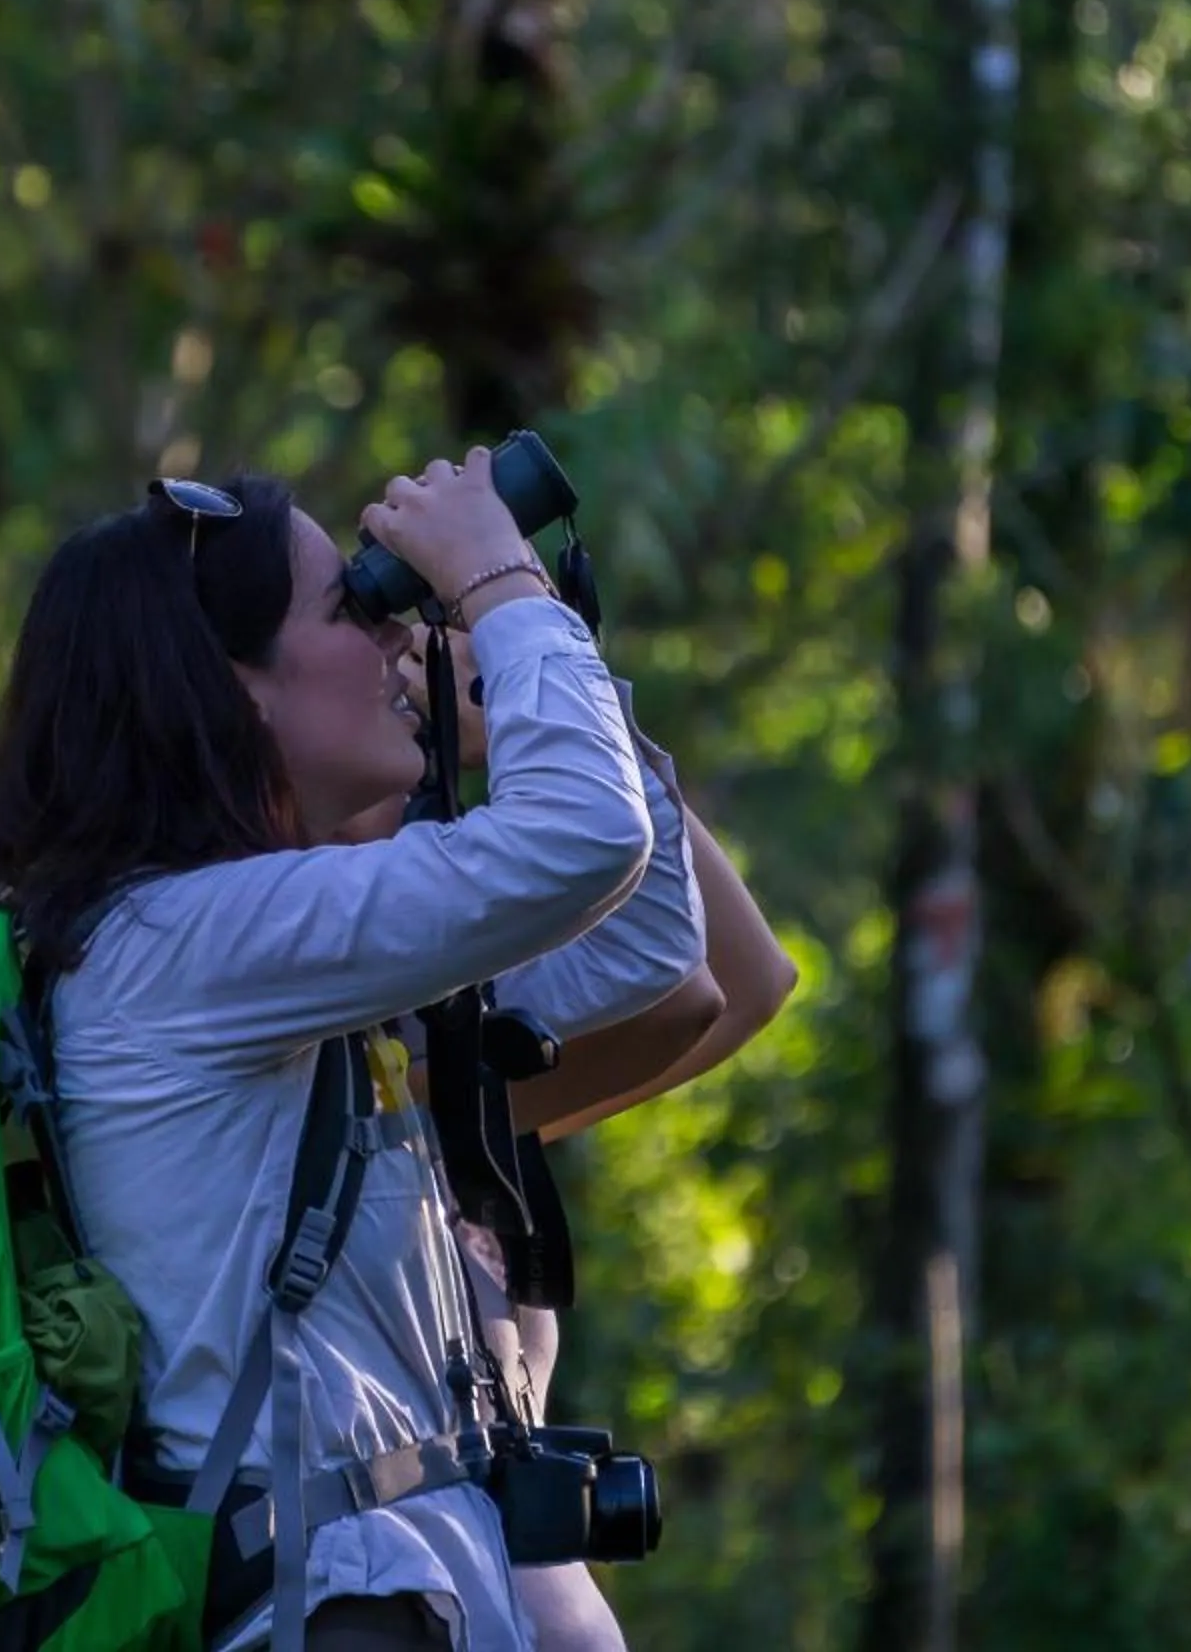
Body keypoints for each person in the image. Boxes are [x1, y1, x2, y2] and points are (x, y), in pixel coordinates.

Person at [0, 452, 706, 1652]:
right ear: (235, 686)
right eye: (355, 609)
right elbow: (584, 837)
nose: (399, 637)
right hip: (328, 1607)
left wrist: (525, 648)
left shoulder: (261, 953)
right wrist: (499, 582)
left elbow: (647, 935)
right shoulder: (181, 942)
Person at [336, 629, 799, 1652]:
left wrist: (543, 674)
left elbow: (745, 982)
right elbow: (697, 988)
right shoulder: (344, 1071)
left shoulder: (441, 1047)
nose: (407, 699)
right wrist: (532, 676)